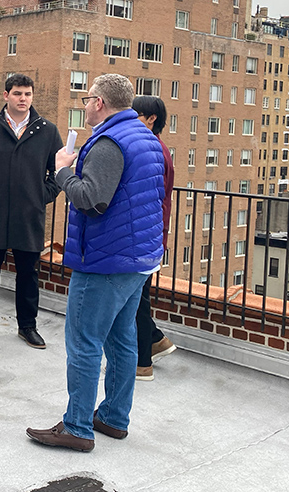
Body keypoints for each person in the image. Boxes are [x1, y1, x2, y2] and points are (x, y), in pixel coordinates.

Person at [26, 74, 164, 451]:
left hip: (106, 259)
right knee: (122, 340)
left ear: (100, 103)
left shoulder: (108, 142)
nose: (85, 105)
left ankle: (77, 427)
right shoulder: (145, 137)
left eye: (87, 99)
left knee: (84, 342)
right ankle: (114, 418)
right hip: (140, 257)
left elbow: (92, 199)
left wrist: (63, 171)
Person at [0, 73, 62, 349]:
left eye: (28, 94)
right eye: (18, 93)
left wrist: (41, 196)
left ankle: (27, 326)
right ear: (6, 96)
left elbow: (60, 172)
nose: (23, 99)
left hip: (29, 216)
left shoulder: (47, 131)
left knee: (28, 273)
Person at [131, 96, 177, 381]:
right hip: (152, 233)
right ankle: (157, 339)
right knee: (139, 296)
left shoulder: (153, 150)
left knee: (135, 299)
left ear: (150, 119)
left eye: (135, 115)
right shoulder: (157, 147)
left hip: (147, 235)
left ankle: (143, 363)